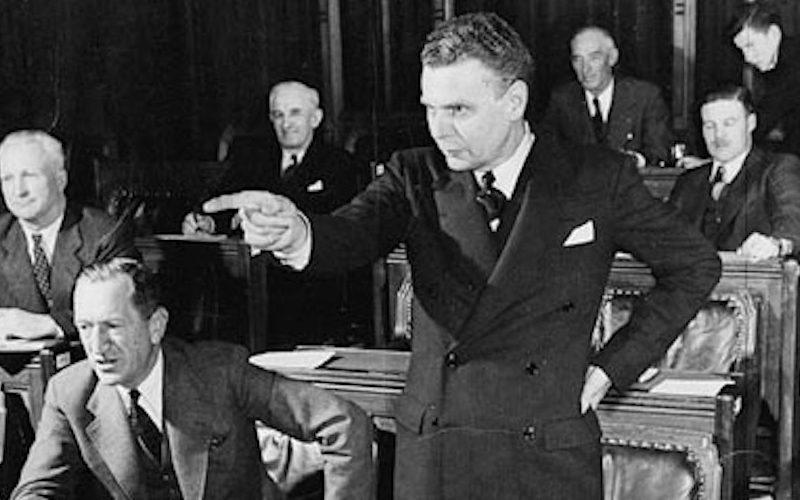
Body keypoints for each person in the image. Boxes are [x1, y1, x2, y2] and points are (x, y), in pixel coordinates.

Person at [203, 12, 721, 499]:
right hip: (438, 452)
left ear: (514, 101)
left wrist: (612, 367)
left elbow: (695, 265)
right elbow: (350, 233)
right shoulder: (413, 174)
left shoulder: (596, 177)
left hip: (546, 453)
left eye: (458, 110)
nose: (439, 128)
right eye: (430, 107)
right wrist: (297, 233)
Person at [11, 257, 373, 500]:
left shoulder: (221, 371)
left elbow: (343, 423)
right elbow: (36, 490)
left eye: (113, 326)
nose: (96, 346)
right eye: (86, 327)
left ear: (156, 326)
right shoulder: (69, 392)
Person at [184, 81, 369, 347]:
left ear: (315, 118)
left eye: (295, 113)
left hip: (312, 288)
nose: (286, 123)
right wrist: (208, 221)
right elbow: (225, 199)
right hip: (252, 286)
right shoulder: (251, 157)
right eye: (278, 115)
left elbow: (335, 223)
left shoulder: (340, 164)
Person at [0, 130, 138, 341]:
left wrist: (52, 324)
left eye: (29, 176)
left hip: (89, 363)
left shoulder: (104, 233)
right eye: (7, 179)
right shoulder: (3, 234)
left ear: (60, 180)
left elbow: (124, 307)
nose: (18, 191)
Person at [669, 84, 800, 260]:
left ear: (750, 123)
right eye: (709, 126)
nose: (718, 135)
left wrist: (777, 244)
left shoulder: (777, 169)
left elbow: (792, 222)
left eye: (728, 123)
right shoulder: (688, 181)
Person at [541, 25, 674, 167]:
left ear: (612, 58)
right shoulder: (562, 100)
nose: (586, 69)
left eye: (594, 58)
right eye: (578, 60)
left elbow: (660, 152)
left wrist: (635, 160)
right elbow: (548, 153)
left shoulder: (645, 96)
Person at [732, 2, 800, 157]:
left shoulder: (793, 66)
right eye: (741, 50)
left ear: (774, 34)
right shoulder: (779, 65)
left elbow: (763, 119)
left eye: (750, 45)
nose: (748, 57)